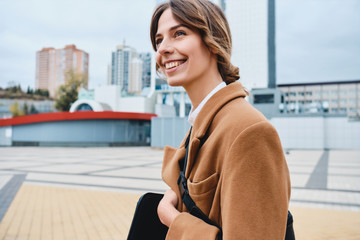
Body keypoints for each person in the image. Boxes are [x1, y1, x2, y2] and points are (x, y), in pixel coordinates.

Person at [150, 0, 291, 239]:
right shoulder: (203, 124)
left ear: (212, 42)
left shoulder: (249, 130)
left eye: (179, 33)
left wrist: (172, 218)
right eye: (159, 39)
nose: (163, 48)